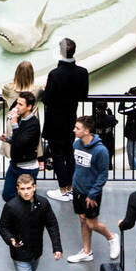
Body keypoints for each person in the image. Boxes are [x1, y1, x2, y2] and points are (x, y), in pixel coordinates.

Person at [0, 172, 63, 271]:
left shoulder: (43, 203)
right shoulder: (11, 206)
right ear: (17, 189)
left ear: (34, 187)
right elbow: (3, 227)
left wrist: (57, 247)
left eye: (28, 188)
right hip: (20, 253)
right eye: (23, 189)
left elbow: (52, 224)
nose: (26, 192)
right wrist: (11, 240)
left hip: (36, 251)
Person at [66, 115, 119, 264]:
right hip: (78, 190)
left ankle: (111, 237)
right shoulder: (76, 144)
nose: (74, 130)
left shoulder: (100, 151)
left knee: (92, 224)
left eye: (77, 128)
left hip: (91, 193)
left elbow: (103, 175)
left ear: (87, 131)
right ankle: (87, 251)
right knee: (83, 220)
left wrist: (93, 194)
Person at [43, 38, 88, 202]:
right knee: (69, 153)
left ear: (61, 52)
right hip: (71, 119)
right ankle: (71, 187)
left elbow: (47, 99)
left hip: (55, 120)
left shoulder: (54, 74)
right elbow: (83, 95)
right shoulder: (82, 72)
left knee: (57, 155)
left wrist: (46, 89)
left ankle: (63, 189)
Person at [0, 90, 44, 202]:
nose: (16, 107)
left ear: (29, 107)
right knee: (8, 195)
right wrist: (8, 139)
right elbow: (18, 139)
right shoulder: (20, 119)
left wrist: (14, 123)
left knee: (27, 199)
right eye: (17, 103)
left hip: (27, 168)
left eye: (20, 104)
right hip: (15, 165)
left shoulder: (33, 124)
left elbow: (21, 143)